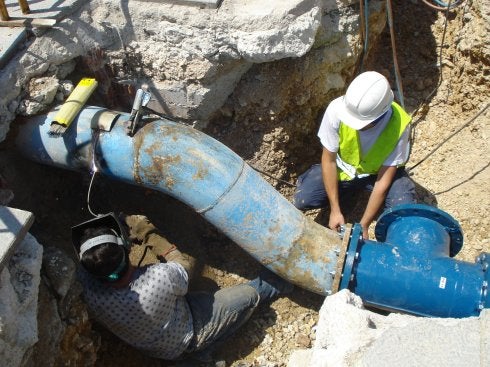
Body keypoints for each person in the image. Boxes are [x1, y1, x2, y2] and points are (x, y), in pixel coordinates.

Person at [72, 212, 292, 362]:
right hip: (190, 334)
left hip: (156, 347)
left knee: (195, 297)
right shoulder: (160, 278)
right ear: (127, 248)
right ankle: (283, 280)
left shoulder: (89, 293)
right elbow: (182, 263)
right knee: (249, 296)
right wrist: (148, 234)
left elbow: (90, 266)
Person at [293, 71, 416, 239]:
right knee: (304, 198)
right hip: (343, 172)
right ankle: (346, 194)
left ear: (380, 116)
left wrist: (364, 225)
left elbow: (382, 182)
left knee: (403, 209)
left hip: (377, 176)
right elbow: (328, 160)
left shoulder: (400, 125)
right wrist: (335, 210)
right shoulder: (337, 110)